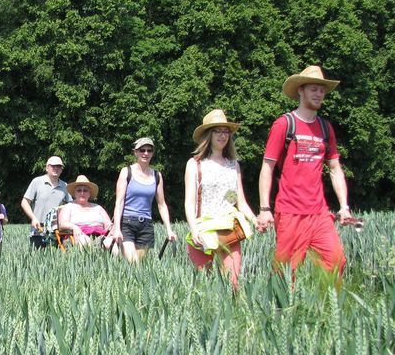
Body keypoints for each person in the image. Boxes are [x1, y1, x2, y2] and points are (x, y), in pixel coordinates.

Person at [258, 65, 350, 277]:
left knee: (336, 261)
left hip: (319, 213)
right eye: (314, 89)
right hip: (290, 212)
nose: (319, 94)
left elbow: (335, 169)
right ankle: (282, 309)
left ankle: (324, 308)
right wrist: (264, 208)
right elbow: (267, 167)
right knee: (285, 272)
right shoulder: (284, 124)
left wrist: (344, 206)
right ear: (301, 90)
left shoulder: (326, 128)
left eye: (322, 90)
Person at [184, 109, 257, 288]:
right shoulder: (195, 164)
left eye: (226, 131)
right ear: (208, 134)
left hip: (229, 232)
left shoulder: (233, 165)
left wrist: (255, 220)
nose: (223, 135)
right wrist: (194, 230)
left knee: (232, 286)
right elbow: (189, 202)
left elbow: (237, 200)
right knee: (204, 290)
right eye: (218, 131)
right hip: (203, 233)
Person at [112, 137, 177, 262]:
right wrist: (116, 229)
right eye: (142, 150)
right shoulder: (126, 172)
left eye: (149, 150)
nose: (145, 153)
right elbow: (119, 202)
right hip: (127, 222)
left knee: (140, 267)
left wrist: (169, 230)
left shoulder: (157, 175)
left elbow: (162, 205)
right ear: (135, 152)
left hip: (146, 225)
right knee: (134, 262)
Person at [21, 156, 72, 248]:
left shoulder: (65, 186)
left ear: (61, 170)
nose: (56, 168)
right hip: (38, 230)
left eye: (59, 166)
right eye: (53, 166)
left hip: (57, 231)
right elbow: (24, 202)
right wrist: (33, 218)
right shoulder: (37, 182)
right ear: (47, 168)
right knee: (37, 261)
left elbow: (71, 206)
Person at [58, 175, 112, 247]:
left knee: (112, 242)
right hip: (77, 236)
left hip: (100, 236)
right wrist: (74, 227)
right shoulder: (68, 207)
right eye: (79, 190)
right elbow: (63, 224)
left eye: (85, 190)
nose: (82, 193)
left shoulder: (98, 208)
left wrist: (112, 229)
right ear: (74, 193)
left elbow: (108, 224)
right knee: (84, 241)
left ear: (89, 194)